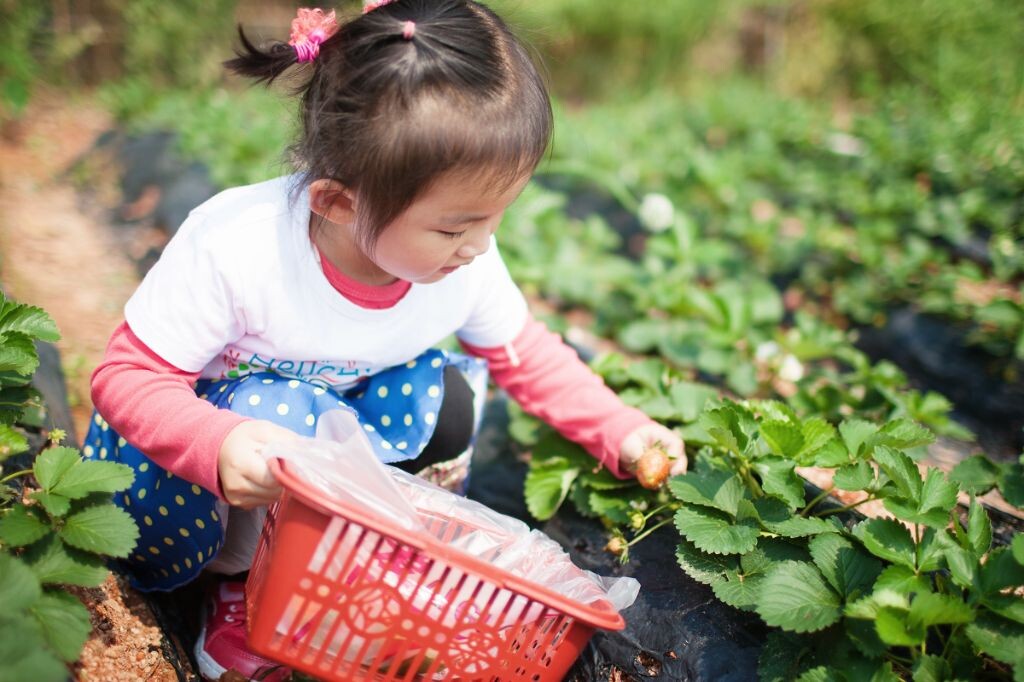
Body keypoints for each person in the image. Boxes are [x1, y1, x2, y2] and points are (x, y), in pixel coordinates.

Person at [85, 1, 686, 679]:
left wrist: (620, 428)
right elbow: (125, 377)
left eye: (495, 218)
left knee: (445, 398)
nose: (480, 248)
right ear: (338, 203)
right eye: (455, 227)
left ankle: (356, 566)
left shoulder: (465, 263)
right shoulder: (239, 249)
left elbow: (528, 354)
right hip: (202, 469)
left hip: (326, 437)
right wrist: (216, 444)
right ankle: (239, 589)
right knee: (274, 411)